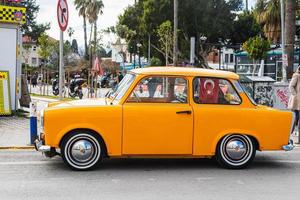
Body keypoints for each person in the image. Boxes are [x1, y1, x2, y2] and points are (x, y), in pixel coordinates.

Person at [288, 66, 300, 134]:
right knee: (295, 119)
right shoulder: (296, 75)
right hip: (296, 102)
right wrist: (295, 95)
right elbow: (291, 86)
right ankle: (289, 135)